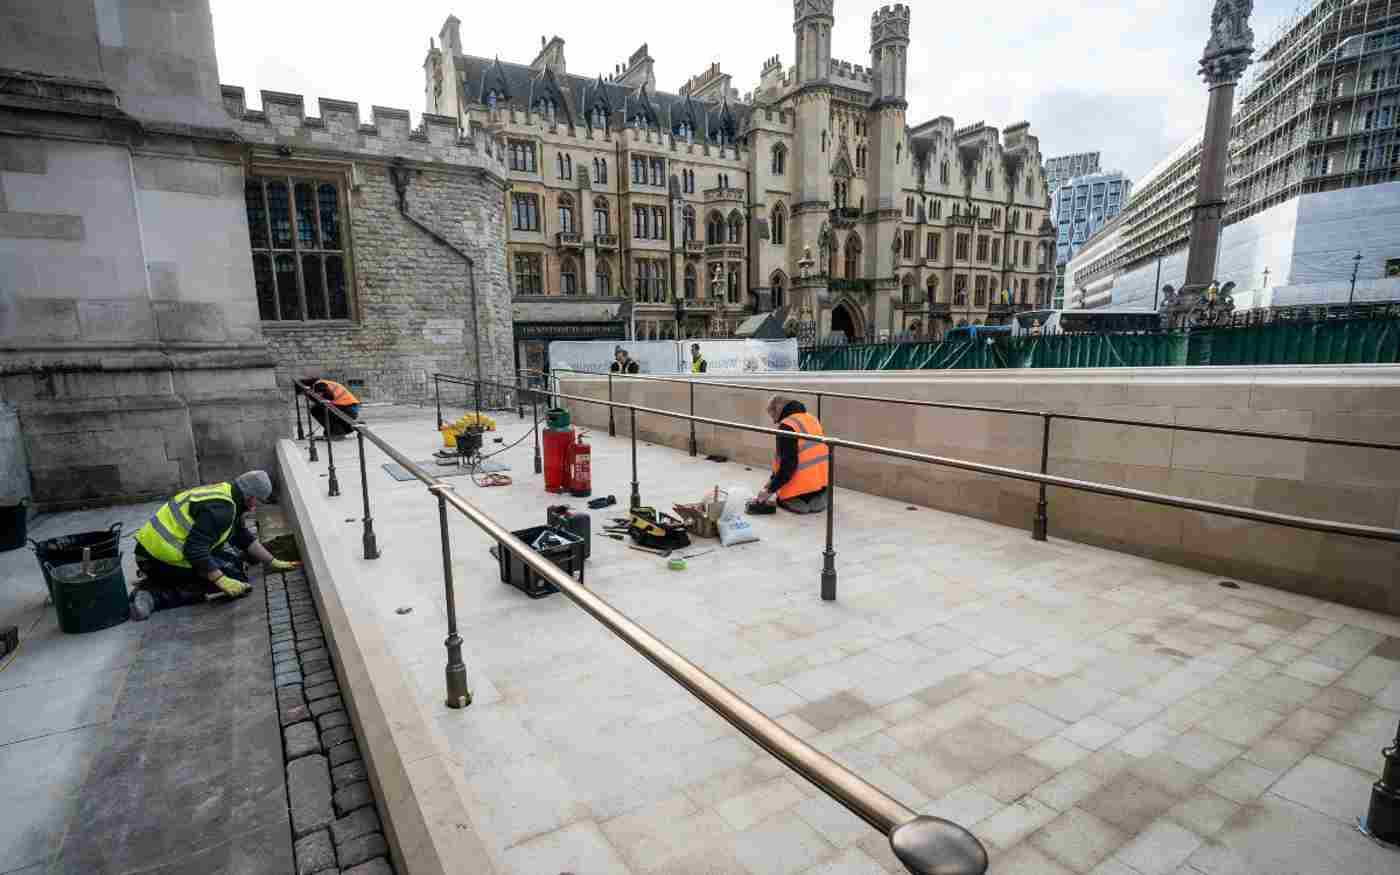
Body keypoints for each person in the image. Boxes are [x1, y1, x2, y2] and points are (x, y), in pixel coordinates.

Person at [130, 470, 300, 619]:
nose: (255, 508)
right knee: (234, 582)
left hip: (158, 553)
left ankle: (159, 580)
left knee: (234, 567)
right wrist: (221, 580)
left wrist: (272, 561)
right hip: (157, 559)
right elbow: (195, 550)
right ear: (251, 498)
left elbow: (241, 536)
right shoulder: (223, 510)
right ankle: (154, 596)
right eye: (258, 502)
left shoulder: (227, 495)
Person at [754, 394, 829, 514]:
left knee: (786, 497)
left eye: (773, 415)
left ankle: (798, 500)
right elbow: (810, 455)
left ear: (778, 409)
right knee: (814, 504)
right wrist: (772, 481)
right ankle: (816, 497)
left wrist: (769, 491)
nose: (774, 421)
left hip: (798, 488)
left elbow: (788, 465)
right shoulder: (812, 419)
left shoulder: (787, 426)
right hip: (819, 484)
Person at [298, 374, 360, 439]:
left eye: (303, 392)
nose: (303, 395)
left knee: (316, 410)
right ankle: (343, 429)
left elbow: (329, 397)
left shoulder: (319, 385)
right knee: (319, 409)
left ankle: (337, 432)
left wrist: (313, 398)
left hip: (349, 409)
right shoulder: (320, 383)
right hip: (349, 408)